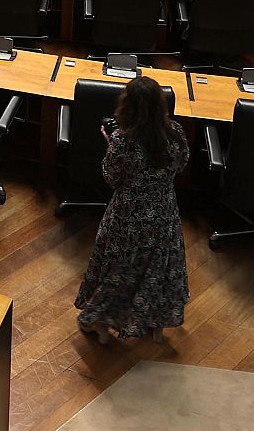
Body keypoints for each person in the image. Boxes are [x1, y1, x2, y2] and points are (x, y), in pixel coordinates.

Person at [75, 75, 189, 343]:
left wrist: (110, 143)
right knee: (157, 269)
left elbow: (111, 177)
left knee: (117, 269)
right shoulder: (176, 133)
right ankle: (156, 326)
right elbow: (181, 165)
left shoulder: (122, 140)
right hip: (164, 213)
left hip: (128, 215)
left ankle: (101, 325)